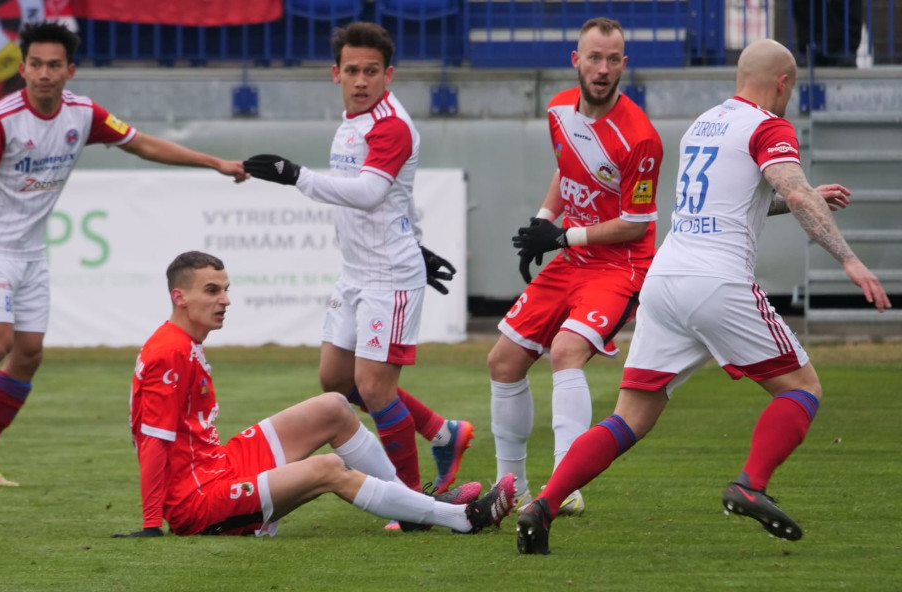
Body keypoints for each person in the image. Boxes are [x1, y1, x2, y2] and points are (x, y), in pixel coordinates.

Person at [515, 38, 892, 555]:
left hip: (665, 280)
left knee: (630, 417)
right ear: (783, 83)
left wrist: (798, 199)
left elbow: (738, 203)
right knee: (802, 388)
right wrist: (848, 258)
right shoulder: (769, 126)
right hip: (717, 280)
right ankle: (750, 485)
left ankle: (544, 503)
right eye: (792, 89)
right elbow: (794, 191)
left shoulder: (705, 123)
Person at [0, 22, 247, 487]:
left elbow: (143, 144)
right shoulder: (0, 120)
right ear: (21, 68)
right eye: (35, 64)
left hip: (31, 252)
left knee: (28, 354)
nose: (43, 73)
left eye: (53, 64)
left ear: (70, 70)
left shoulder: (83, 115)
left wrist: (214, 162)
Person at [115, 251, 516, 538]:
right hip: (198, 500)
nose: (225, 299)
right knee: (327, 470)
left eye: (225, 289)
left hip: (219, 465)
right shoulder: (169, 352)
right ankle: (461, 518)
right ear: (179, 297)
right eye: (212, 290)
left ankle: (409, 505)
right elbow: (153, 442)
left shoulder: (183, 342)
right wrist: (152, 524)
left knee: (334, 406)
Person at [240, 22, 472, 511]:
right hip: (356, 272)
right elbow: (397, 198)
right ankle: (440, 431)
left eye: (371, 71)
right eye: (352, 71)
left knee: (372, 387)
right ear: (335, 74)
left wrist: (297, 176)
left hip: (389, 276)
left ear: (389, 74)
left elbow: (370, 194)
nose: (361, 80)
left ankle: (411, 502)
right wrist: (418, 241)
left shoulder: (391, 124)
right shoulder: (352, 120)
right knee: (334, 381)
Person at [487, 17, 664, 518]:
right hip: (573, 257)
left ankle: (562, 487)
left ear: (624, 65)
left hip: (620, 267)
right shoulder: (559, 109)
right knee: (503, 360)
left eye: (613, 60)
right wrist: (541, 224)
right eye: (594, 58)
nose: (603, 69)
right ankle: (512, 488)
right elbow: (566, 170)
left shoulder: (641, 139)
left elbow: (635, 224)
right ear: (576, 61)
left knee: (565, 351)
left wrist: (563, 235)